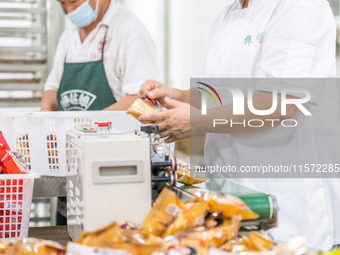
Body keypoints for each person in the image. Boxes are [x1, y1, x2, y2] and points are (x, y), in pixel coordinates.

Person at [139, 0, 340, 251]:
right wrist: (175, 95)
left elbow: (279, 103)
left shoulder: (298, 7)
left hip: (288, 201)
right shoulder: (225, 18)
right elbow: (216, 95)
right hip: (229, 196)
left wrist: (197, 122)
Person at [41, 0, 160, 111]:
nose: (70, 10)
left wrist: (90, 125)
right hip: (72, 131)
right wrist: (46, 109)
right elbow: (52, 89)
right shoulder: (69, 34)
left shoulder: (130, 30)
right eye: (62, 3)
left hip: (117, 131)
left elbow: (143, 100)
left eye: (74, 1)